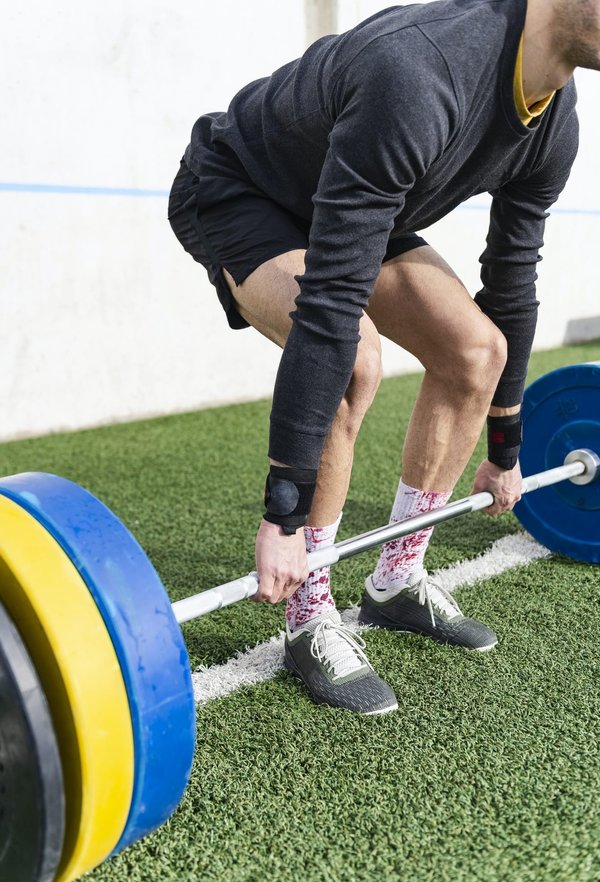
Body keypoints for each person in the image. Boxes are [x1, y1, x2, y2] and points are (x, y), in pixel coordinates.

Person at [169, 0, 594, 714]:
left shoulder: (554, 120)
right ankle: (308, 614)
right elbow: (332, 304)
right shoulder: (419, 73)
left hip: (354, 197)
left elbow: (512, 282)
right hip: (242, 186)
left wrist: (507, 446)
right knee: (355, 358)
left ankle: (396, 581)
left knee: (474, 348)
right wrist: (282, 513)